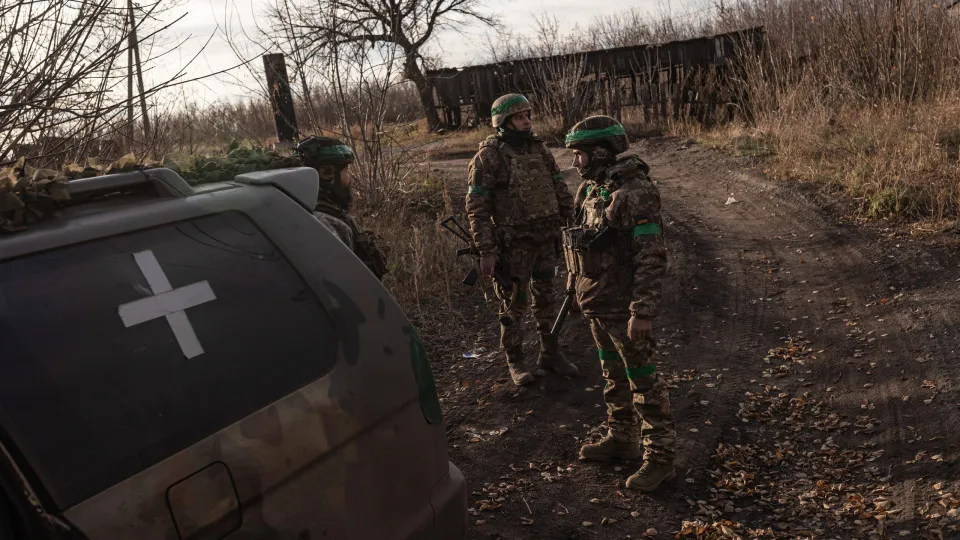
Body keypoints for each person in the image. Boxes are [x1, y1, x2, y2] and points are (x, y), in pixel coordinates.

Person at [561, 115, 676, 492]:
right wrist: (573, 286)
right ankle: (622, 438)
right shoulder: (592, 190)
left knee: (643, 381)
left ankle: (660, 459)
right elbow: (578, 242)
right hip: (596, 301)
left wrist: (642, 310)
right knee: (613, 376)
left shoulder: (635, 191)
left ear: (599, 152)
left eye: (578, 155)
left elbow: (651, 254)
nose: (575, 163)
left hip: (623, 307)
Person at [464, 93, 579, 386]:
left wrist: (571, 220)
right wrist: (486, 250)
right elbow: (477, 208)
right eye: (519, 117)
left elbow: (557, 186)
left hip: (546, 240)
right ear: (502, 122)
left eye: (527, 115)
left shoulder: (538, 148)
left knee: (547, 299)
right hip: (514, 245)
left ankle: (550, 352)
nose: (526, 121)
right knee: (515, 303)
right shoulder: (488, 156)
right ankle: (515, 359)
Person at [296, 135, 388, 280]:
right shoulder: (327, 223)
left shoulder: (314, 208)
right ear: (327, 173)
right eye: (345, 171)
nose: (349, 177)